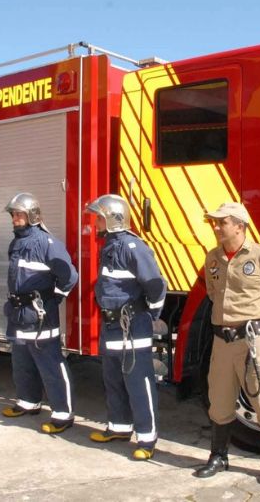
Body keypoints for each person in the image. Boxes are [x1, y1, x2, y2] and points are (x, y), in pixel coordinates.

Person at [195, 202, 260, 485]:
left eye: (221, 222)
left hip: (254, 343)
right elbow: (214, 293)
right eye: (215, 222)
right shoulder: (212, 258)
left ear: (239, 225)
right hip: (222, 343)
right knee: (220, 401)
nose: (216, 227)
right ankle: (218, 456)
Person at [85, 194, 167, 460]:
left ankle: (147, 438)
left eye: (98, 218)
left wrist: (151, 313)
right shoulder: (109, 247)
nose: (95, 222)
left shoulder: (132, 247)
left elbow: (156, 284)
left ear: (112, 219)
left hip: (133, 326)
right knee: (113, 378)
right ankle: (119, 427)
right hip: (112, 325)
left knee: (138, 381)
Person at [0, 192, 78, 435]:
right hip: (19, 313)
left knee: (50, 364)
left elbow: (70, 276)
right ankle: (28, 401)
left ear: (32, 215)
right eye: (13, 214)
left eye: (19, 214)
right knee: (21, 359)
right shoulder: (16, 243)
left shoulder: (47, 243)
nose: (15, 218)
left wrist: (53, 299)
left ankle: (62, 414)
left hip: (40, 314)